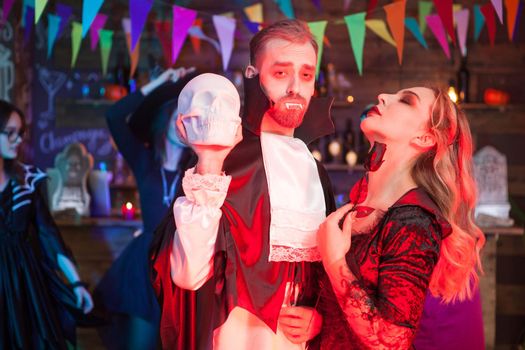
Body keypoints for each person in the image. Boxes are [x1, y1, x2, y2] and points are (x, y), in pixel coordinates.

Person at [150, 19, 336, 349]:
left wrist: (319, 316)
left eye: (306, 75)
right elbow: (186, 276)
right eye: (280, 73)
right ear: (252, 76)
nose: (295, 86)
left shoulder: (316, 171)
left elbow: (325, 276)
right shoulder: (224, 160)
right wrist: (209, 165)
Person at [314, 87, 485, 349]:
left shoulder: (414, 220)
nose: (382, 96)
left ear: (424, 137)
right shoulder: (357, 205)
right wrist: (315, 319)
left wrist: (336, 263)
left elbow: (391, 341)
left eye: (405, 101)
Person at [93, 68, 197, 350]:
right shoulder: (143, 159)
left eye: (188, 118)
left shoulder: (198, 165)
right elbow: (114, 116)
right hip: (146, 265)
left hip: (184, 261)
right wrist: (161, 82)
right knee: (141, 343)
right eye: (177, 115)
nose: (183, 123)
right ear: (164, 119)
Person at [0, 99, 93, 349]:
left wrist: (75, 283)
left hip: (23, 282)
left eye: (20, 133)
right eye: (9, 133)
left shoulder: (27, 180)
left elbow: (48, 235)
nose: (18, 140)